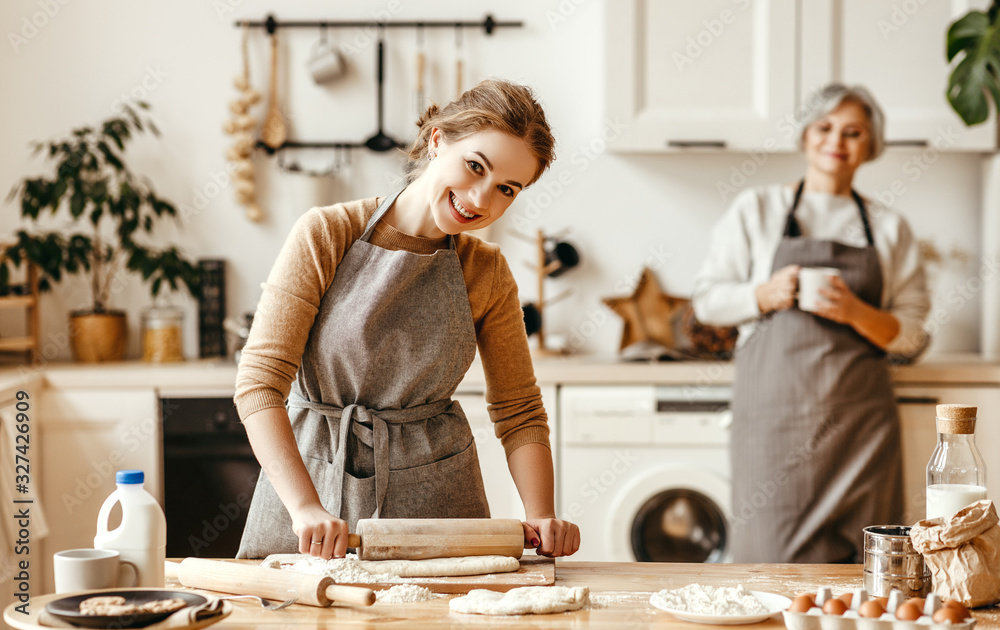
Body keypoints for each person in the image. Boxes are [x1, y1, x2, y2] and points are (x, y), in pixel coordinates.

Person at [234, 79, 580, 560]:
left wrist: (541, 513)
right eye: (474, 166)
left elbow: (519, 409)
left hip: (440, 506)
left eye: (506, 188)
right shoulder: (328, 234)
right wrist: (306, 507)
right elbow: (259, 384)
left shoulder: (487, 271)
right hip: (311, 495)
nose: (480, 200)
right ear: (438, 140)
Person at [692, 84, 931, 563]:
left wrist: (856, 312)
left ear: (872, 145)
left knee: (870, 575)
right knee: (770, 569)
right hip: (773, 425)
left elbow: (913, 334)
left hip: (860, 428)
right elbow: (707, 302)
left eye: (853, 132)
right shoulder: (757, 209)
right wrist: (764, 294)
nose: (836, 141)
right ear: (805, 136)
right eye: (824, 127)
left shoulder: (888, 226)